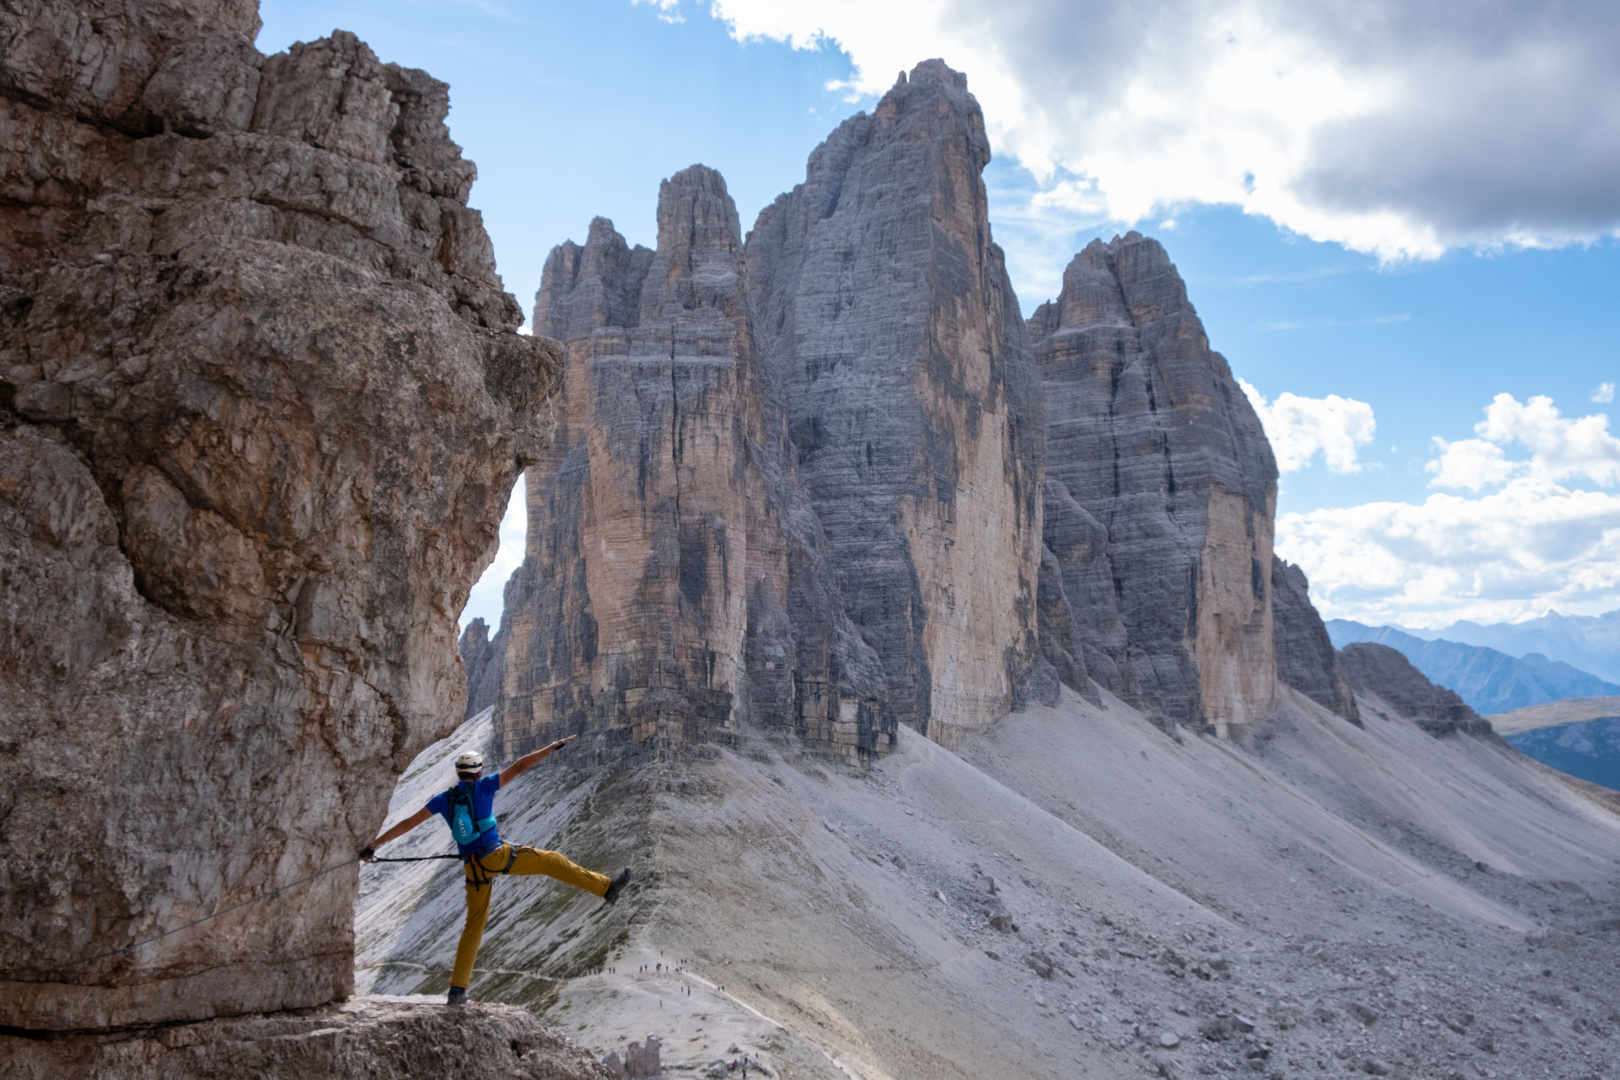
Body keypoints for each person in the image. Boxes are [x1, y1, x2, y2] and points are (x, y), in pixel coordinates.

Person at [362, 735, 630, 1005]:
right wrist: (552, 747)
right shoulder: (484, 787)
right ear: (479, 771)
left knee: (474, 924)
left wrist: (373, 845)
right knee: (553, 861)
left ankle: (457, 990)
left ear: (458, 772)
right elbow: (519, 766)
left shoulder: (444, 799)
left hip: (473, 868)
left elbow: (408, 824)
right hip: (495, 856)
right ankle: (606, 888)